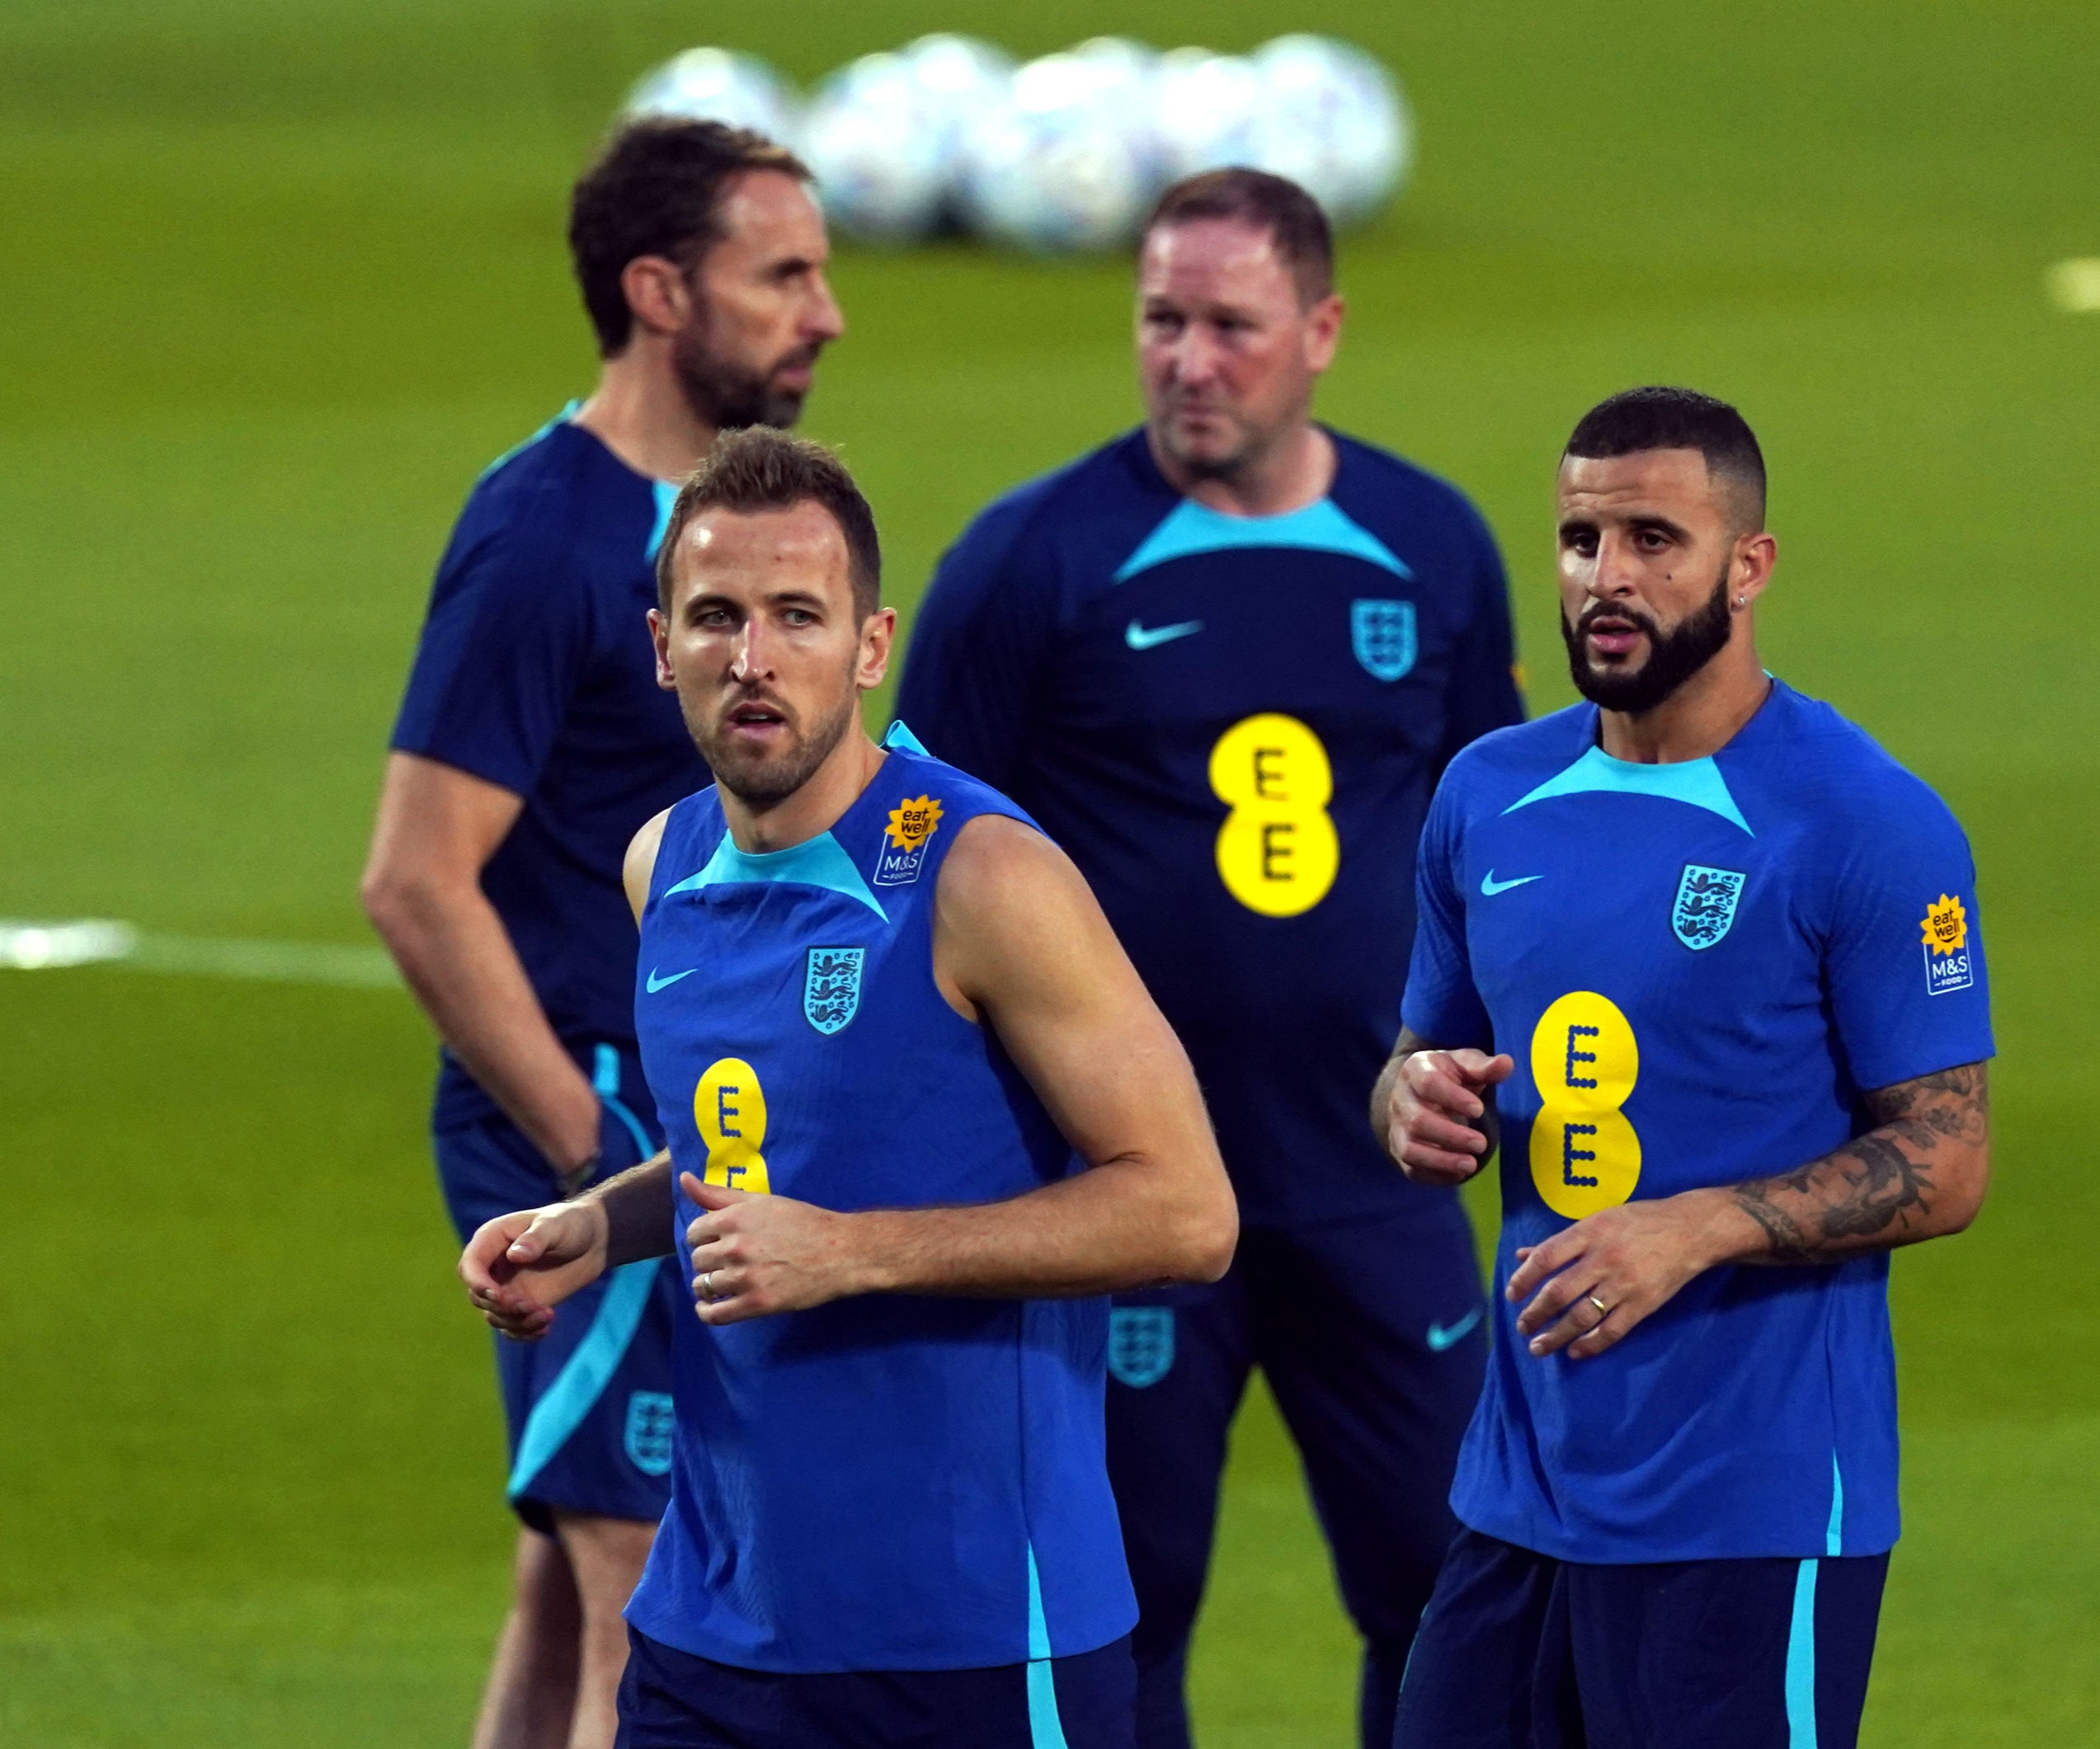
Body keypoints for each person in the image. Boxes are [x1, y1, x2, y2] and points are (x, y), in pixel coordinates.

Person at [457, 429, 1239, 1749]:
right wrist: (602, 1225)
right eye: (715, 618)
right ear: (661, 646)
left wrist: (852, 1255)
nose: (751, 659)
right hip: (715, 1626)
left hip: (977, 1640)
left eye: (794, 618)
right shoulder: (666, 865)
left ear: (870, 646)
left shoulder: (984, 878)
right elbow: (766, 1151)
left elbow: (1188, 1214)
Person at [896, 167, 1525, 1749]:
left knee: (1451, 1591)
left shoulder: (1430, 546)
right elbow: (915, 871)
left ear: (1319, 330)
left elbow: (1495, 844)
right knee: (1125, 1605)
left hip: (1381, 1180)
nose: (1188, 358)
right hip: (1125, 1192)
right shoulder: (1030, 561)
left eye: (1229, 325)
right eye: (1160, 320)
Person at [1376, 386, 1994, 1749]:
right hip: (1522, 1490)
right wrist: (1408, 1099)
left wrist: (1701, 1227)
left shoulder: (1864, 823)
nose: (1610, 578)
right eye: (1582, 539)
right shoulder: (1489, 790)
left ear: (1749, 563)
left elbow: (1947, 1158)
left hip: (1752, 1511)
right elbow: (1422, 1043)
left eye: (1656, 538)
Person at [360, 120, 843, 1749]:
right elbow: (417, 875)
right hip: (593, 1117)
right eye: (783, 275)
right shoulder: (547, 531)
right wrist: (595, 1151)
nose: (826, 312)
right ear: (659, 290)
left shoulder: (726, 527)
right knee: (649, 1594)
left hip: (686, 1113)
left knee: (570, 1582)